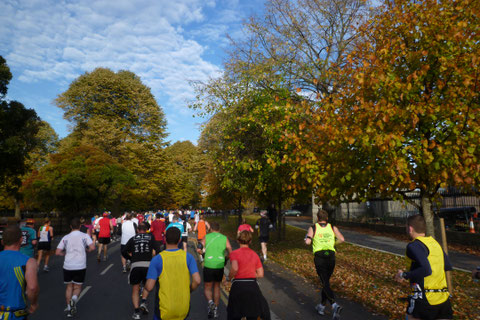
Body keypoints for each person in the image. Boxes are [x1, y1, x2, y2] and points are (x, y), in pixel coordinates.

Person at [394, 214, 453, 320]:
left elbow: (426, 270)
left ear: (410, 228)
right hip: (443, 298)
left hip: (424, 299)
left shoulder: (414, 246)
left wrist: (404, 275)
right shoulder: (435, 243)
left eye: (406, 227)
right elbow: (447, 265)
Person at [145, 227, 201, 320]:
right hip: (183, 308)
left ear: (165, 239)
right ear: (179, 240)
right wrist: (190, 289)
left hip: (163, 309)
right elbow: (197, 280)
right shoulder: (188, 257)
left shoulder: (157, 259)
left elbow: (149, 287)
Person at [305, 209, 345, 319]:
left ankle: (334, 305)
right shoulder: (332, 227)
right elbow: (342, 239)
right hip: (331, 257)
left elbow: (308, 242)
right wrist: (333, 244)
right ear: (327, 218)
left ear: (318, 218)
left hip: (320, 258)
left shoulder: (313, 227)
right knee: (325, 282)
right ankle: (321, 306)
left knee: (325, 282)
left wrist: (307, 238)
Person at [56, 218, 95, 318]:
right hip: (80, 265)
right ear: (80, 226)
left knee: (69, 287)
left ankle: (69, 308)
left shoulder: (66, 237)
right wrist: (87, 250)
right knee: (77, 287)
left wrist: (64, 253)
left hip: (68, 265)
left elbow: (57, 252)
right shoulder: (85, 236)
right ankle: (74, 299)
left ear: (70, 226)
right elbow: (92, 247)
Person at [227, 230, 270, 320]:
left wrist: (229, 278)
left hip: (238, 286)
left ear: (238, 240)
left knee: (234, 314)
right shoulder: (255, 255)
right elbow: (261, 274)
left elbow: (234, 268)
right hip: (252, 286)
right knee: (253, 314)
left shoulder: (234, 253)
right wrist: (250, 272)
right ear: (250, 241)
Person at [0, 225, 39, 319]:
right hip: (14, 314)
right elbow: (32, 287)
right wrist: (33, 303)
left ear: (2, 241)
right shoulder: (28, 261)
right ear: (21, 240)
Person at [122, 222, 159, 320]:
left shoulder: (133, 239)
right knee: (147, 286)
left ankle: (137, 312)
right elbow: (158, 249)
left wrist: (130, 258)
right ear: (146, 230)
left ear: (137, 230)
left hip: (136, 265)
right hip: (148, 265)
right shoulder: (150, 238)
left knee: (135, 289)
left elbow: (123, 251)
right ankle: (143, 301)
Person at [201, 221, 232, 318]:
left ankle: (210, 303)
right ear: (219, 229)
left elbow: (198, 248)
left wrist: (203, 254)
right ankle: (215, 310)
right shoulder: (224, 238)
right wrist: (226, 258)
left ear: (211, 229)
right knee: (217, 286)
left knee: (207, 287)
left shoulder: (206, 237)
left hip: (209, 264)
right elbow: (230, 251)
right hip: (219, 265)